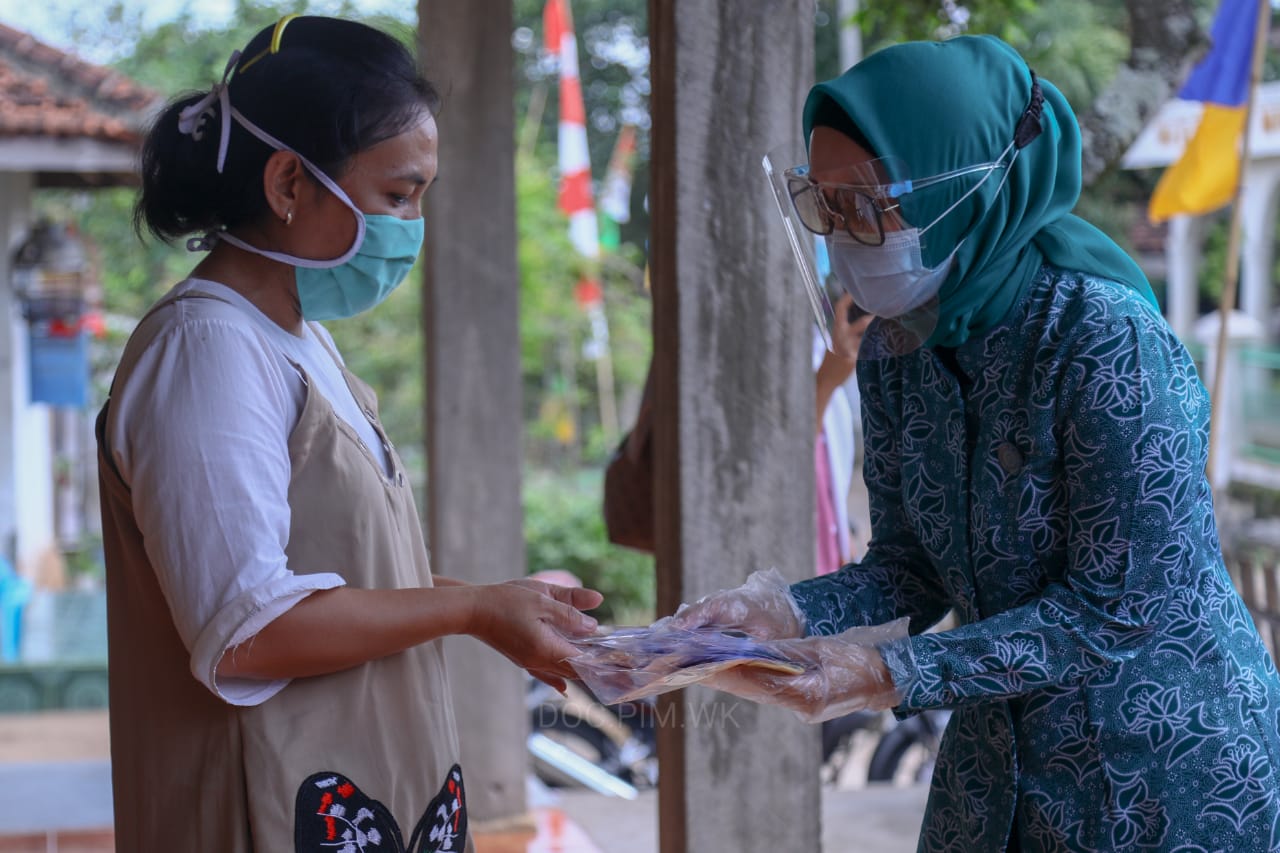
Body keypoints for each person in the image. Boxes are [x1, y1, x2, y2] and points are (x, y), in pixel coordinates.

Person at [679, 35, 1280, 852]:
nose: (846, 237)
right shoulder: (897, 344)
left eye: (867, 204)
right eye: (825, 206)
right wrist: (779, 610)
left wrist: (890, 673)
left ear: (969, 189)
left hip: (1161, 765)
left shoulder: (1103, 338)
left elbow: (1122, 608)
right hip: (1001, 750)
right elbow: (909, 565)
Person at [95, 16, 600, 852]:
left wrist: (501, 605)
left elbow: (343, 572)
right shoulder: (207, 349)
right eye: (397, 194)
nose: (410, 225)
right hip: (265, 804)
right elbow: (249, 627)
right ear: (289, 181)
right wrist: (470, 609)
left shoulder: (295, 338)